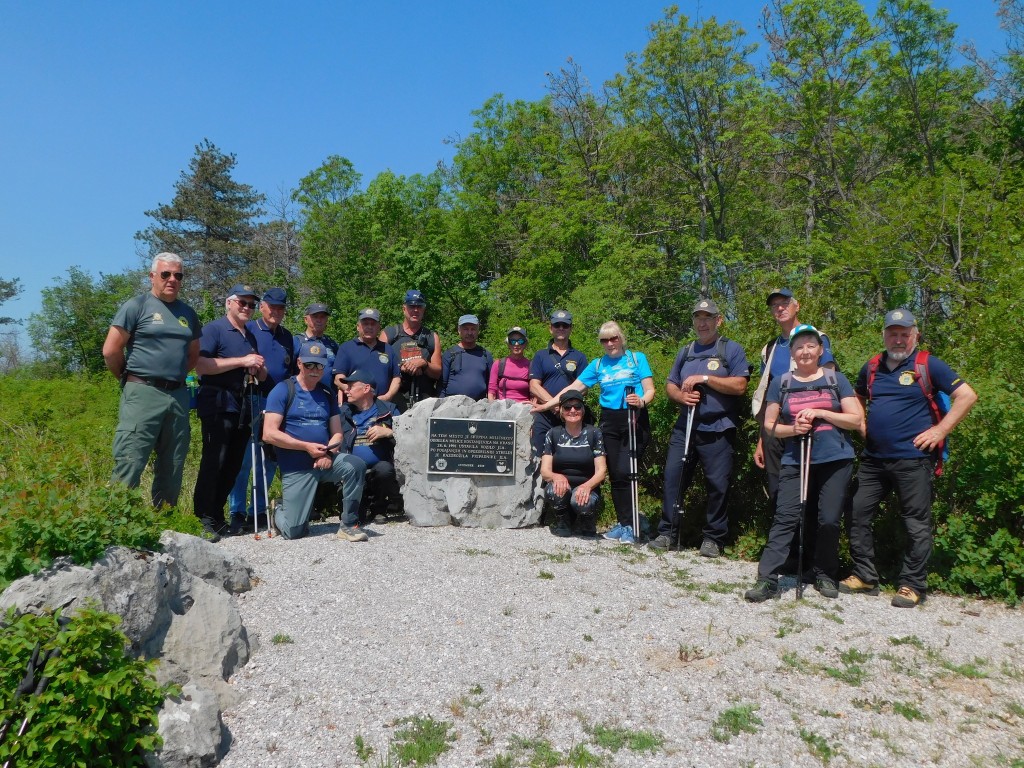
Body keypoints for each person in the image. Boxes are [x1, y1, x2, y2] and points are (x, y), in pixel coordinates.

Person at [841, 309, 978, 608]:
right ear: (884, 334)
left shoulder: (929, 364)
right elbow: (857, 395)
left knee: (915, 523)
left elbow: (967, 395)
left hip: (914, 459)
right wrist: (862, 422)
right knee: (857, 513)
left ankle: (912, 584)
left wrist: (940, 430)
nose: (899, 339)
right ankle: (865, 575)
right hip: (874, 459)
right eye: (893, 333)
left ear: (915, 335)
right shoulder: (873, 366)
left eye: (905, 334)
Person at [745, 325, 864, 602]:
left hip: (835, 459)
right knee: (784, 518)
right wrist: (794, 430)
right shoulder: (782, 383)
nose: (805, 351)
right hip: (795, 459)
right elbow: (770, 424)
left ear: (821, 350)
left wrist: (822, 413)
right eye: (799, 347)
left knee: (829, 520)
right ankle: (767, 579)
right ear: (793, 354)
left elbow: (855, 419)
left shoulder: (837, 379)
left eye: (811, 345)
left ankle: (824, 573)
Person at [534, 321, 656, 545]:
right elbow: (571, 390)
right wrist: (546, 405)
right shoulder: (598, 365)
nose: (610, 343)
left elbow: (650, 389)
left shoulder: (637, 359)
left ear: (621, 338)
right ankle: (623, 523)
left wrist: (641, 401)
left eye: (614, 338)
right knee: (617, 474)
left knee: (628, 472)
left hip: (633, 417)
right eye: (604, 340)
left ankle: (632, 524)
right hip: (609, 419)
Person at [650, 299, 750, 557]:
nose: (702, 323)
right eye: (698, 318)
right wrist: (680, 397)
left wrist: (706, 379)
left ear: (719, 320)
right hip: (686, 426)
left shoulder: (731, 350)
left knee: (717, 484)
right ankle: (668, 533)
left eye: (708, 318)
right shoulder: (686, 351)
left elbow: (740, 386)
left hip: (717, 427)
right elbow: (671, 384)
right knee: (673, 478)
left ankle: (713, 539)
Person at [102, 252, 201, 508]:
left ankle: (164, 523)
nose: (172, 280)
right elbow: (111, 350)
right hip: (142, 392)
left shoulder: (187, 313)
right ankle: (117, 525)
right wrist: (130, 378)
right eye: (166, 274)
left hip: (177, 395)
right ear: (152, 276)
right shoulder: (137, 306)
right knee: (131, 458)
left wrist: (173, 376)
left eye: (178, 275)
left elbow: (192, 356)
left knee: (173, 461)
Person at [752, 288, 837, 571]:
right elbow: (768, 396)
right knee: (780, 493)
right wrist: (762, 440)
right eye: (774, 305)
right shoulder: (771, 347)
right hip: (778, 430)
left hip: (811, 428)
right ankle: (786, 556)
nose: (779, 309)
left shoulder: (816, 338)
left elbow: (829, 379)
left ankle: (811, 558)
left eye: (784, 303)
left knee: (810, 493)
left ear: (797, 305)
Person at [260, 342, 368, 541]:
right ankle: (279, 510)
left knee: (356, 465)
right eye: (309, 365)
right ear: (299, 363)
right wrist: (306, 447)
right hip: (296, 466)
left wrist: (328, 453)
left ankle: (349, 524)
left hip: (324, 460)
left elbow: (337, 434)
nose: (314, 370)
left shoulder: (327, 393)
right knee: (294, 532)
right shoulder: (283, 390)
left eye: (319, 365)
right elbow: (269, 434)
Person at [192, 285, 267, 540]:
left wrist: (257, 368)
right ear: (229, 303)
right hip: (217, 402)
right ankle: (202, 517)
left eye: (251, 304)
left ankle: (217, 515)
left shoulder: (249, 336)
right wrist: (242, 361)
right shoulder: (214, 329)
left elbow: (254, 368)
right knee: (215, 460)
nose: (247, 308)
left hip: (242, 403)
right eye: (242, 303)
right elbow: (200, 365)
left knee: (233, 463)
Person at [227, 287, 296, 534]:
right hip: (252, 399)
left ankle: (259, 508)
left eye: (281, 308)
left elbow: (291, 372)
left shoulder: (288, 337)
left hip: (278, 405)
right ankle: (237, 511)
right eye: (272, 307)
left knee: (268, 459)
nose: (276, 312)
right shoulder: (250, 329)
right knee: (245, 458)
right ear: (263, 307)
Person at [540, 390, 607, 538]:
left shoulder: (594, 434)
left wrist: (587, 486)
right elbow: (545, 471)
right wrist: (556, 476)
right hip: (561, 487)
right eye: (567, 407)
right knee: (554, 490)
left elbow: (602, 471)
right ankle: (563, 521)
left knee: (583, 501)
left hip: (587, 487)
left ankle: (587, 520)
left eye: (577, 407)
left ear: (583, 410)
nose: (572, 410)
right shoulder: (553, 434)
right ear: (561, 412)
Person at [341, 369, 402, 523]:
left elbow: (409, 434)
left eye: (351, 386)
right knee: (357, 520)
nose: (346, 390)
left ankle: (379, 508)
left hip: (379, 467)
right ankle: (361, 506)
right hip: (351, 470)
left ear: (366, 388)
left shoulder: (389, 410)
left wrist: (389, 432)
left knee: (385, 470)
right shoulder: (342, 412)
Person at [529, 309, 589, 456]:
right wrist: (554, 405)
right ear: (551, 328)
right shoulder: (540, 355)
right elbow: (534, 385)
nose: (561, 328)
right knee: (540, 456)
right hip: (545, 415)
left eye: (565, 325)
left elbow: (584, 388)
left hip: (571, 414)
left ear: (570, 329)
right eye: (557, 325)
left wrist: (564, 408)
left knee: (569, 456)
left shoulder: (580, 357)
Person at [382, 289, 442, 410]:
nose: (415, 310)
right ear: (404, 308)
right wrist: (400, 368)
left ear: (423, 309)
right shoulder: (389, 334)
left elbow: (438, 372)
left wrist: (424, 365)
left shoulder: (432, 337)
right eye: (411, 306)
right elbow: (378, 366)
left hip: (424, 400)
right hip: (395, 398)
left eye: (419, 306)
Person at [334, 308, 401, 402]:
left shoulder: (388, 349)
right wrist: (354, 394)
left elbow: (396, 377)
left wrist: (387, 396)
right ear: (358, 326)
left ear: (379, 327)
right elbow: (338, 379)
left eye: (373, 324)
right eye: (365, 323)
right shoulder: (346, 348)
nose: (369, 327)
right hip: (354, 408)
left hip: (382, 405)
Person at [439, 314, 493, 400]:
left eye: (473, 329)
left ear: (478, 331)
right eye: (466, 329)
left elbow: (492, 386)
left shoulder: (485, 355)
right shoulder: (450, 354)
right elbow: (441, 385)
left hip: (479, 407)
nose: (469, 332)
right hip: (452, 407)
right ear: (459, 330)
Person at [293, 302, 339, 390]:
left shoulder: (332, 344)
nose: (319, 320)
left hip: (327, 396)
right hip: (302, 395)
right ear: (306, 319)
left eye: (322, 317)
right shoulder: (297, 341)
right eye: (315, 316)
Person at [488, 327, 532, 402]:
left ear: (525, 344)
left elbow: (534, 392)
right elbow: (491, 392)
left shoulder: (531, 366)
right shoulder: (498, 364)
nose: (516, 344)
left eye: (520, 341)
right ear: (508, 344)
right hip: (502, 408)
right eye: (512, 341)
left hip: (524, 409)